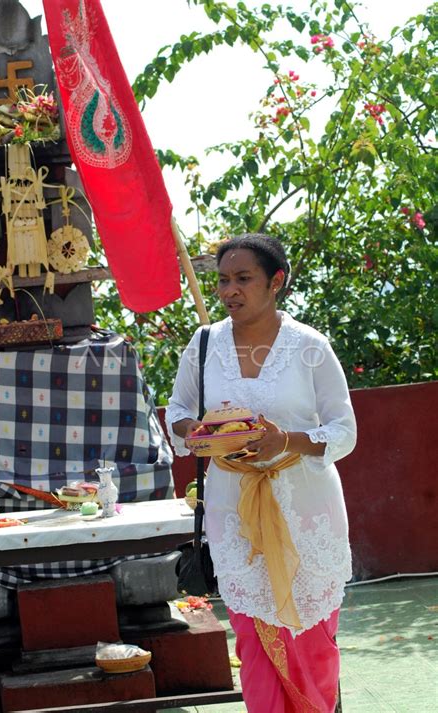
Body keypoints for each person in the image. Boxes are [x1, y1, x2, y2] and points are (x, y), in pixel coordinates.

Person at [166, 233, 356, 712]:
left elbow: (344, 430)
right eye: (223, 280)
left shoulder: (310, 347)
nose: (229, 290)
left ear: (276, 283)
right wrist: (203, 431)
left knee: (312, 639)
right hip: (235, 516)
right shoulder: (204, 344)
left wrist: (285, 440)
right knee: (253, 643)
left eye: (243, 279)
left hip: (308, 514)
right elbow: (176, 413)